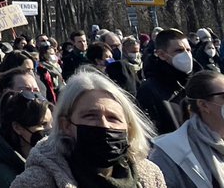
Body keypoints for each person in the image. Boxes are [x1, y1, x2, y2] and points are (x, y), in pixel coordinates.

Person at [10, 69, 164, 188]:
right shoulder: (36, 183)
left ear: (129, 128)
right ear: (66, 125)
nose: (104, 125)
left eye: (113, 118)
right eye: (91, 116)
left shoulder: (150, 176)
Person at [0, 90, 51, 188]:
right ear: (18, 127)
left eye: (51, 124)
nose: (50, 130)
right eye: (43, 124)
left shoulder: (51, 163)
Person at [139, 28, 195, 136]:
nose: (187, 55)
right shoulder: (149, 90)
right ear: (161, 54)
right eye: (179, 50)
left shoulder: (197, 82)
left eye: (188, 50)